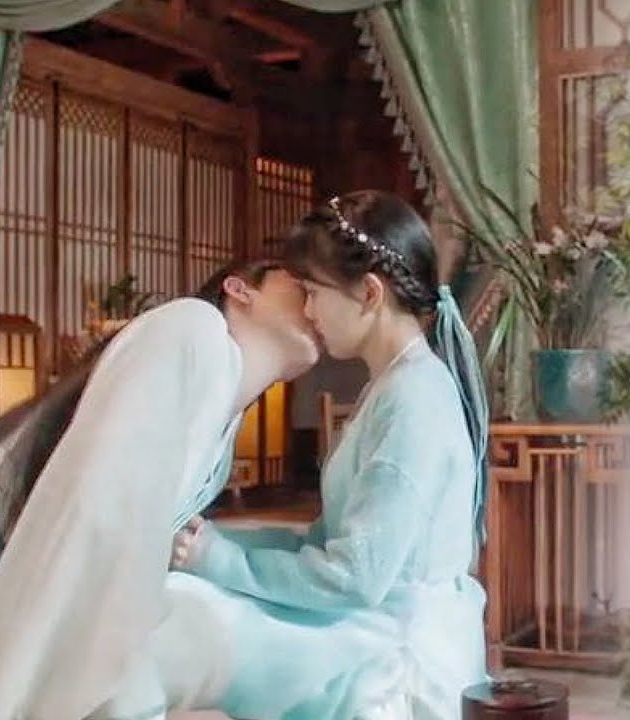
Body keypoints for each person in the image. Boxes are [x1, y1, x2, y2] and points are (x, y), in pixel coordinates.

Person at [170, 189, 490, 720]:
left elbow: (354, 575)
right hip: (371, 618)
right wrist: (217, 545)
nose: (309, 311)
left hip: (396, 652)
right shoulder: (394, 385)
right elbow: (329, 541)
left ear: (369, 293)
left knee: (192, 614)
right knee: (191, 596)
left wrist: (221, 560)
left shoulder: (414, 399)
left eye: (314, 292)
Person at [0, 258, 319, 720]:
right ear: (239, 290)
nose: (314, 303)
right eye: (299, 285)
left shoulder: (224, 413)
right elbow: (96, 514)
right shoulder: (192, 328)